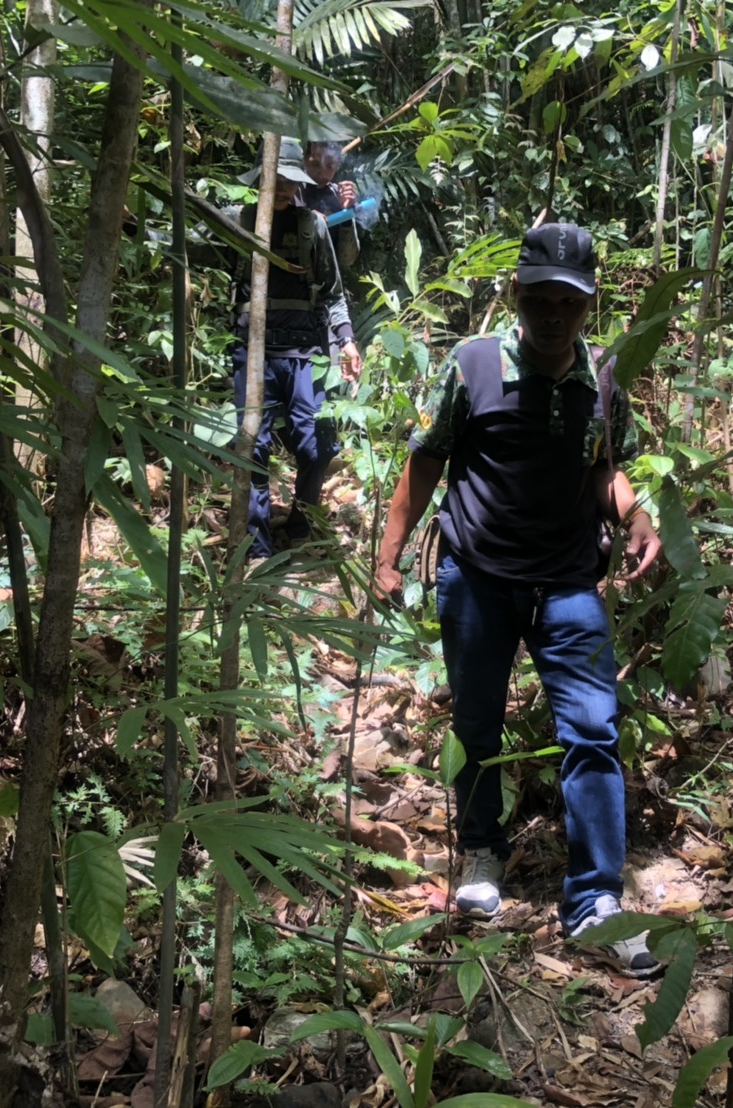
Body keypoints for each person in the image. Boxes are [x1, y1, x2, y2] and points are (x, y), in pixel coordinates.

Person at [373, 222, 664, 976]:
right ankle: (481, 851)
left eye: (568, 302)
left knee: (593, 730)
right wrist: (389, 555)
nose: (552, 315)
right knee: (477, 721)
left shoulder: (602, 381)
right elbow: (426, 459)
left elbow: (603, 467)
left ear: (588, 305)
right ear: (516, 295)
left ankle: (597, 900)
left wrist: (634, 514)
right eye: (539, 299)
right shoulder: (472, 365)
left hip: (568, 580)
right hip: (477, 575)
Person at [232, 137, 362, 557]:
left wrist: (347, 340)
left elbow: (333, 292)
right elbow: (187, 242)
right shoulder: (239, 221)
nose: (286, 187)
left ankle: (302, 522)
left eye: (292, 180)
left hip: (305, 352)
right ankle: (257, 550)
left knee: (318, 445)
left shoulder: (312, 226)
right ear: (261, 179)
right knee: (252, 448)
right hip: (254, 351)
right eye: (278, 179)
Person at [302, 140, 359, 272]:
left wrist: (346, 214)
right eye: (316, 164)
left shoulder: (338, 195)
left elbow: (347, 260)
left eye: (330, 166)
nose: (322, 173)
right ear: (304, 160)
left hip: (325, 281)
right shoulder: (290, 191)